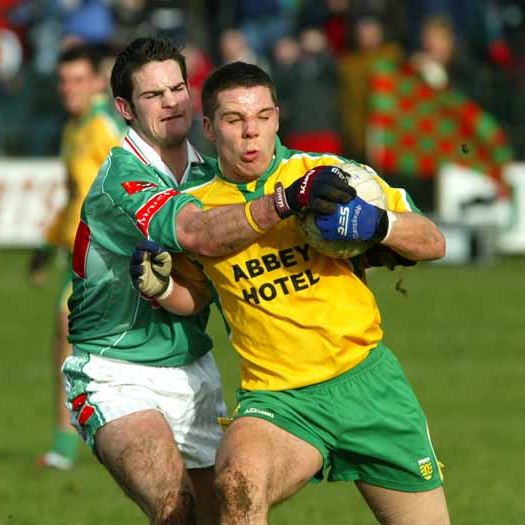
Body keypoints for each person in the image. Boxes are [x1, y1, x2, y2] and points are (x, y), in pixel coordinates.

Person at [131, 61, 450, 525]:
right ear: (209, 126)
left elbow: (433, 242)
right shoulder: (196, 207)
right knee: (238, 483)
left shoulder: (328, 174)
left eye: (262, 117)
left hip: (369, 384)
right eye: (235, 120)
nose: (251, 134)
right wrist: (162, 287)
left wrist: (378, 224)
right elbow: (196, 297)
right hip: (280, 402)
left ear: (278, 117)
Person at [62, 37, 353, 525]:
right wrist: (285, 200)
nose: (172, 101)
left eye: (178, 88)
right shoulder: (121, 179)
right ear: (124, 109)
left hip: (195, 371)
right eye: (153, 96)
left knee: (226, 514)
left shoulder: (209, 175)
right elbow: (196, 232)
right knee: (176, 509)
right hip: (115, 372)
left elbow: (208, 287)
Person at [29, 42, 125, 470]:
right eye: (63, 80)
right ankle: (74, 439)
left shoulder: (104, 127)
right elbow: (73, 195)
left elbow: (135, 180)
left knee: (66, 325)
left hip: (110, 251)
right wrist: (47, 244)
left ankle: (68, 443)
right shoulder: (74, 128)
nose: (69, 88)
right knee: (70, 337)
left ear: (95, 82)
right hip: (79, 252)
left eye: (77, 80)